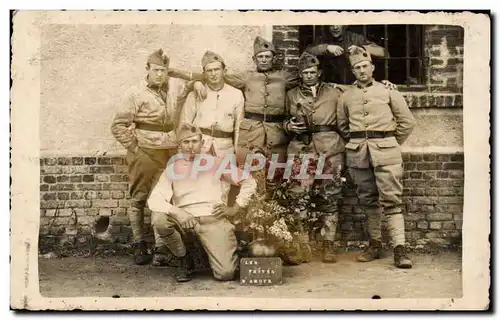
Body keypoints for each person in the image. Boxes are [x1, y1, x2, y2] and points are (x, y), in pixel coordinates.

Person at [110, 49, 192, 265]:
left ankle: (161, 248)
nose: (159, 75)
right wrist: (135, 148)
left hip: (169, 152)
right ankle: (139, 244)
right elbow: (118, 126)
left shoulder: (175, 88)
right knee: (138, 198)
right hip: (144, 152)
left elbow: (196, 79)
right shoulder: (135, 93)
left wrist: (176, 72)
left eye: (163, 71)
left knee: (162, 199)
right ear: (147, 70)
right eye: (156, 70)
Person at [147, 123, 257, 282]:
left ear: (202, 142)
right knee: (160, 220)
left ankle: (217, 250)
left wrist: (235, 208)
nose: (190, 146)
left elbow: (249, 181)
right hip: (184, 221)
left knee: (226, 274)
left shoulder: (216, 163)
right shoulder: (173, 168)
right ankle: (184, 258)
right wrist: (179, 213)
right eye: (186, 142)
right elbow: (155, 199)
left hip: (212, 220)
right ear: (179, 145)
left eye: (194, 141)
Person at [337, 47, 416, 268]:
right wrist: (358, 142)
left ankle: (400, 249)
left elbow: (407, 122)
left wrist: (389, 142)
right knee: (368, 200)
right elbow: (343, 126)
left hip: (387, 152)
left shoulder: (389, 91)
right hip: (358, 153)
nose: (362, 71)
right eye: (357, 68)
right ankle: (375, 244)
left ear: (372, 67)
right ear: (352, 71)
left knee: (391, 200)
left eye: (365, 66)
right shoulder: (346, 96)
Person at [283, 51, 346, 263]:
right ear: (299, 74)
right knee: (299, 197)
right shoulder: (291, 94)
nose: (309, 75)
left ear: (319, 72)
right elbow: (281, 120)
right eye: (304, 73)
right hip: (301, 149)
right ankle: (303, 245)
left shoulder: (334, 92)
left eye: (312, 72)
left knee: (330, 197)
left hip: (329, 149)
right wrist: (288, 126)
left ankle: (328, 245)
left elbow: (345, 117)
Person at [179, 50, 244, 158]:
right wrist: (182, 153)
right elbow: (185, 124)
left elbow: (238, 128)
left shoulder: (236, 94)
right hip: (200, 148)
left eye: (217, 69)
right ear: (204, 74)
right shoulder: (194, 94)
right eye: (209, 71)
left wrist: (237, 154)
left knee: (224, 175)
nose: (213, 74)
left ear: (224, 71)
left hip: (225, 149)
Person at [306, 25, 386, 85]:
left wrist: (362, 48)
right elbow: (306, 53)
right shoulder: (322, 39)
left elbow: (383, 52)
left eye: (338, 23)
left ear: (345, 25)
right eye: (331, 24)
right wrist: (326, 47)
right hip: (328, 87)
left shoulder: (356, 38)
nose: (335, 27)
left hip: (354, 86)